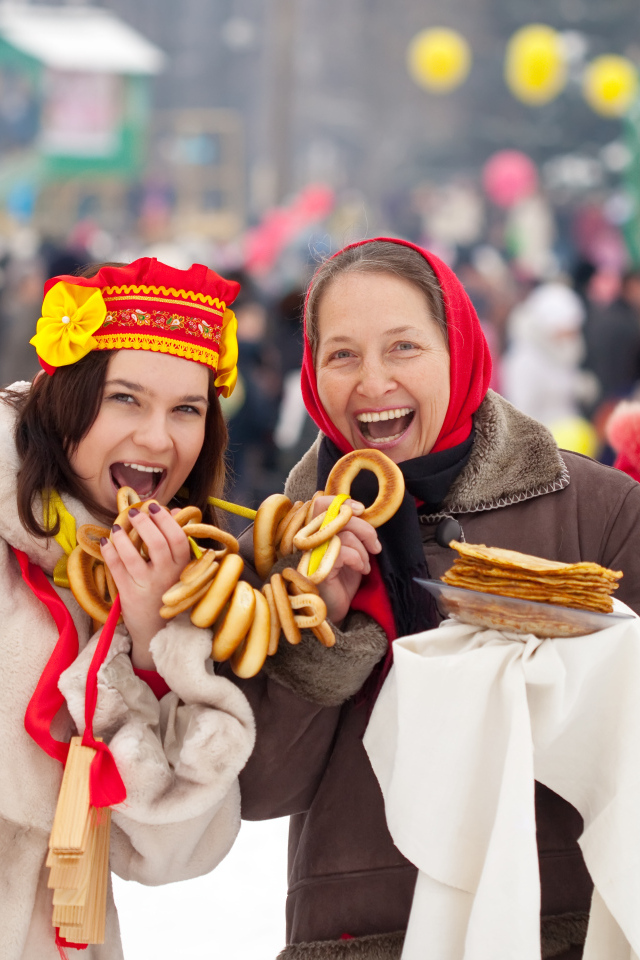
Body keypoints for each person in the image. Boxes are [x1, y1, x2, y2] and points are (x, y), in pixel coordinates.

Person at [226, 238, 640, 960]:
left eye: (405, 347)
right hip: (357, 933)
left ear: (459, 348)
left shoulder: (599, 514)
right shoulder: (280, 544)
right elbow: (260, 790)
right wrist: (320, 615)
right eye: (343, 355)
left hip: (558, 925)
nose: (372, 381)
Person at [0, 257, 255, 960]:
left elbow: (174, 853)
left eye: (187, 410)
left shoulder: (184, 585)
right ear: (69, 396)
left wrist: (151, 638)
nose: (158, 439)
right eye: (126, 399)